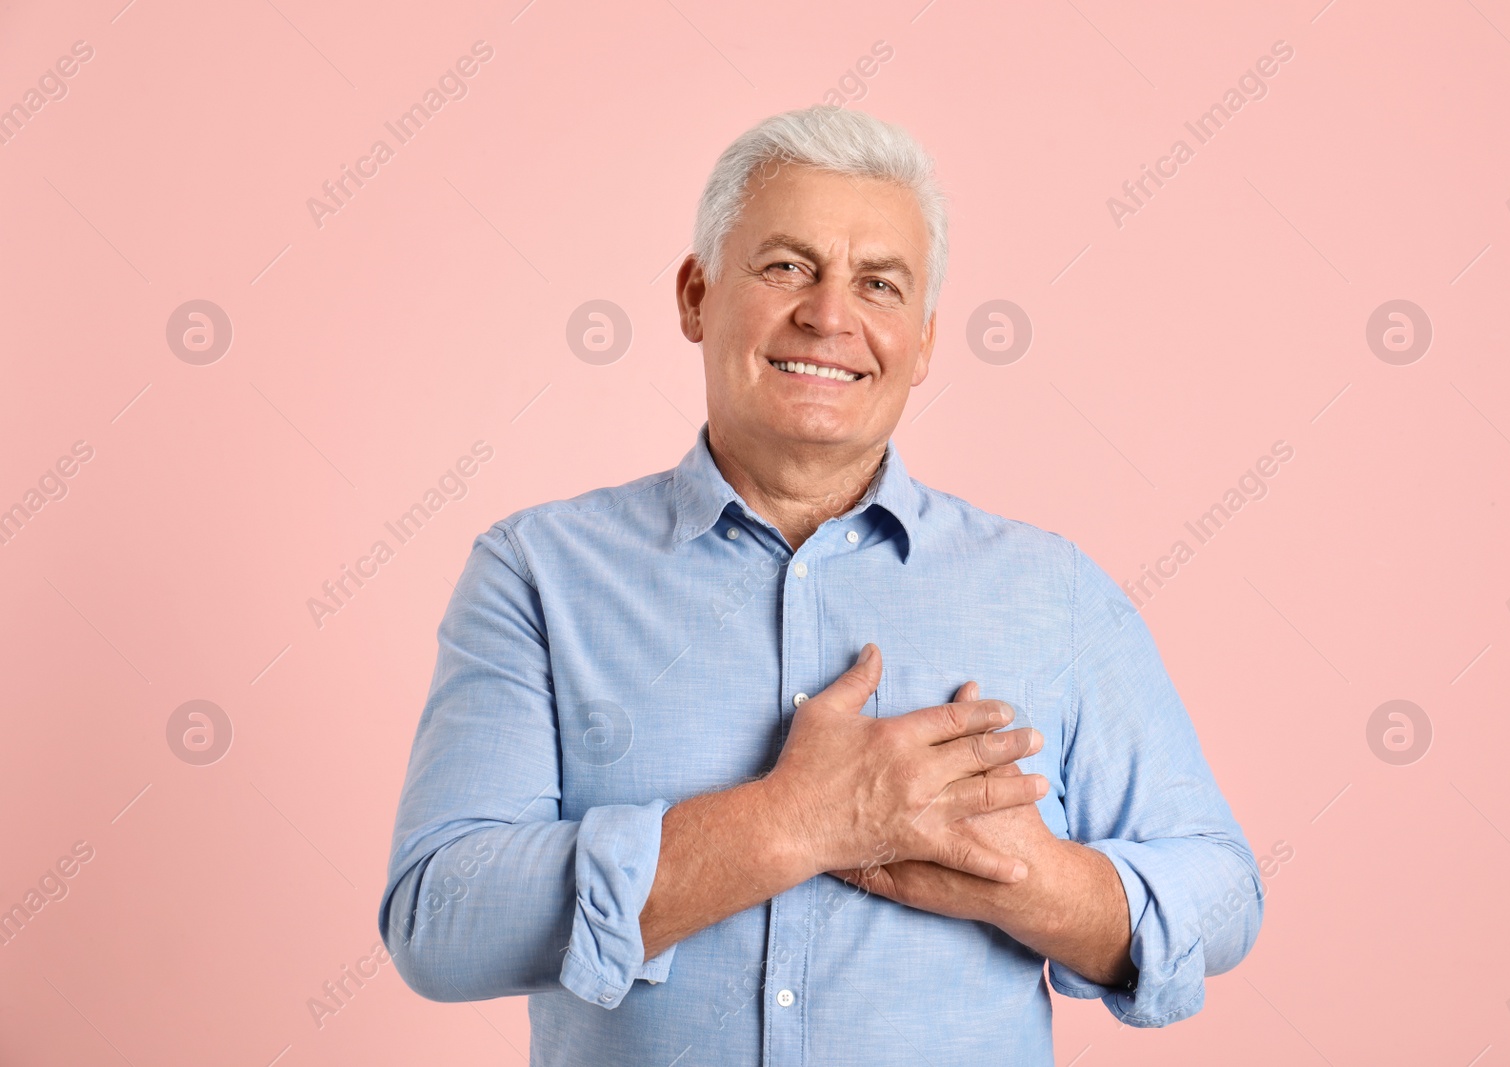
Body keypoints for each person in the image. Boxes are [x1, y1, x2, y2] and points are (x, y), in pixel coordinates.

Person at [380, 104, 1262, 1066]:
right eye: (786, 266)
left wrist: (1027, 874)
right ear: (695, 294)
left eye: (878, 284)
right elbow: (441, 915)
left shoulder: (1057, 591)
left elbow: (1223, 894)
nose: (829, 315)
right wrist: (792, 821)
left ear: (922, 343)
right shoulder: (537, 572)